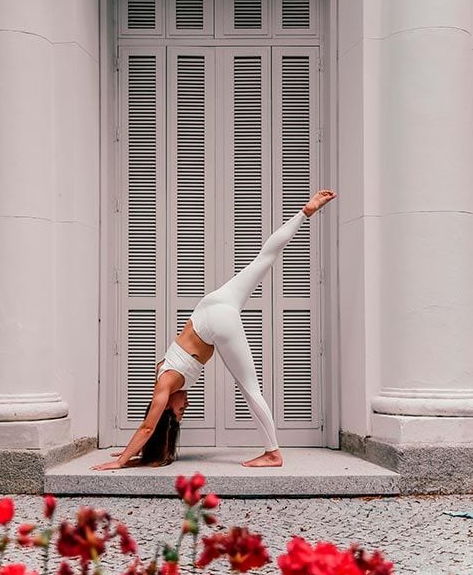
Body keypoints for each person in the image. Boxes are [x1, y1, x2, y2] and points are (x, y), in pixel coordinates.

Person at [92, 189, 337, 471]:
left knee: (250, 389)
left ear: (166, 407)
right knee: (263, 259)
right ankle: (305, 212)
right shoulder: (162, 377)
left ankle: (273, 453)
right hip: (209, 306)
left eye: (180, 410)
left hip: (214, 322)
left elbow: (149, 426)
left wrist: (123, 461)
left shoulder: (164, 386)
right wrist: (136, 449)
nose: (185, 405)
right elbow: (149, 427)